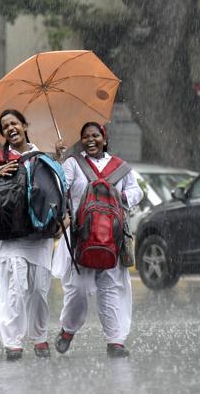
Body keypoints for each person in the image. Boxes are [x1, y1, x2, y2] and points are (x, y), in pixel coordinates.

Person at [52, 122, 143, 358]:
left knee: (112, 289)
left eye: (95, 135)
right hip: (81, 239)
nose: (90, 140)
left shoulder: (121, 167)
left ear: (104, 138)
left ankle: (115, 341)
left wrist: (120, 196)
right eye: (85, 137)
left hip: (113, 240)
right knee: (79, 291)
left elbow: (137, 192)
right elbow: (61, 185)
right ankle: (68, 330)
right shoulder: (73, 163)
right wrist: (59, 159)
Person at [0, 109, 57, 361]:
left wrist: (58, 160)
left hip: (39, 234)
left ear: (24, 124)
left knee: (39, 291)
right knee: (16, 288)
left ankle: (40, 337)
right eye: (5, 125)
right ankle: (12, 342)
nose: (11, 127)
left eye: (14, 123)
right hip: (11, 235)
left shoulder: (42, 156)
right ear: (3, 133)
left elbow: (54, 191)